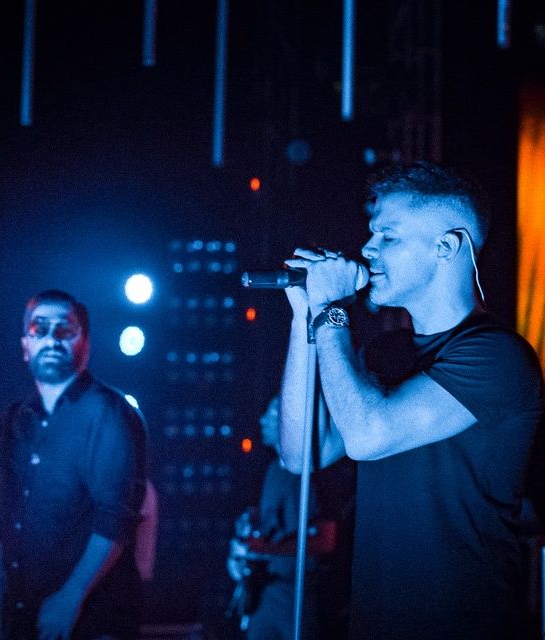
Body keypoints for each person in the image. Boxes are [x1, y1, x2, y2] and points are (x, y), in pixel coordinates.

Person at [279, 162, 545, 639]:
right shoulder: (386, 353)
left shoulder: (497, 356)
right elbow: (301, 454)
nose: (367, 248)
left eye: (389, 236)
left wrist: (331, 311)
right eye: (371, 234)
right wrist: (306, 318)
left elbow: (368, 435)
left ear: (447, 247)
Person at [0, 289, 148, 640]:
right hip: (28, 614)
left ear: (85, 344)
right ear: (25, 346)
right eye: (39, 329)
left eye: (64, 330)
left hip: (90, 619)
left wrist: (71, 596)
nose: (51, 339)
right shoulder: (19, 418)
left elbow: (116, 516)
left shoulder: (109, 413)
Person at [227, 395, 355, 639]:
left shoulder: (313, 471)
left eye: (273, 414)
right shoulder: (273, 470)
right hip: (268, 589)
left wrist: (261, 549)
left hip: (299, 592)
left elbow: (326, 540)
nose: (263, 420)